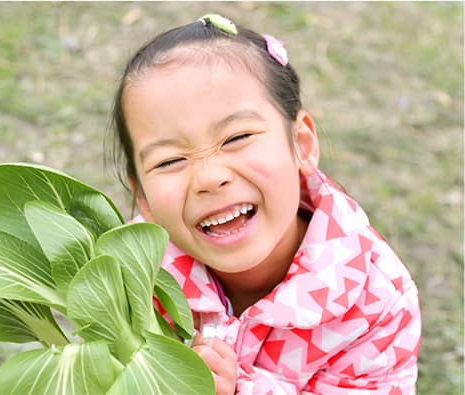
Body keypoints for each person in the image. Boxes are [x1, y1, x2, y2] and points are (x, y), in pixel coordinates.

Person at [109, 14, 421, 395]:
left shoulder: (375, 298)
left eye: (237, 137)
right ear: (144, 197)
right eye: (170, 161)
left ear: (301, 145)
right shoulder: (133, 272)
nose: (209, 177)